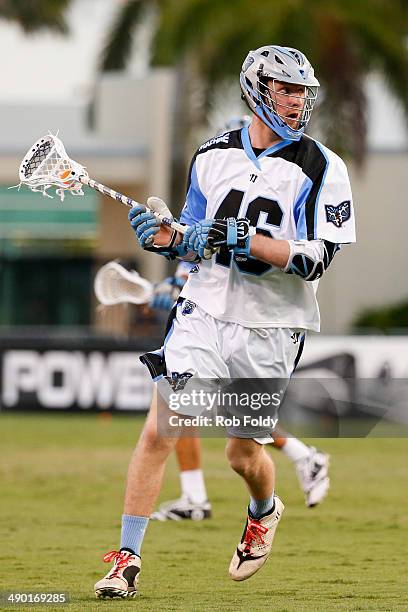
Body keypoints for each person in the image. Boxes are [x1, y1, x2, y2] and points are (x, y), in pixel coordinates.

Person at [94, 44, 355, 598]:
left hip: (273, 325)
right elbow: (189, 239)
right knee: (160, 428)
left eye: (303, 91)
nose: (297, 100)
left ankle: (264, 508)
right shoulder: (211, 155)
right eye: (286, 89)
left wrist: (247, 239)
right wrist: (161, 239)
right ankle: (126, 558)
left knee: (242, 453)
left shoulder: (323, 166)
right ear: (257, 89)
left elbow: (317, 258)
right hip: (205, 311)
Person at [150, 265, 329, 521]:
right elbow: (196, 255)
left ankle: (304, 457)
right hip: (219, 320)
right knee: (186, 403)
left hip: (248, 323)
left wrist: (179, 282)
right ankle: (195, 496)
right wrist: (178, 281)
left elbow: (222, 252)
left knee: (228, 413)